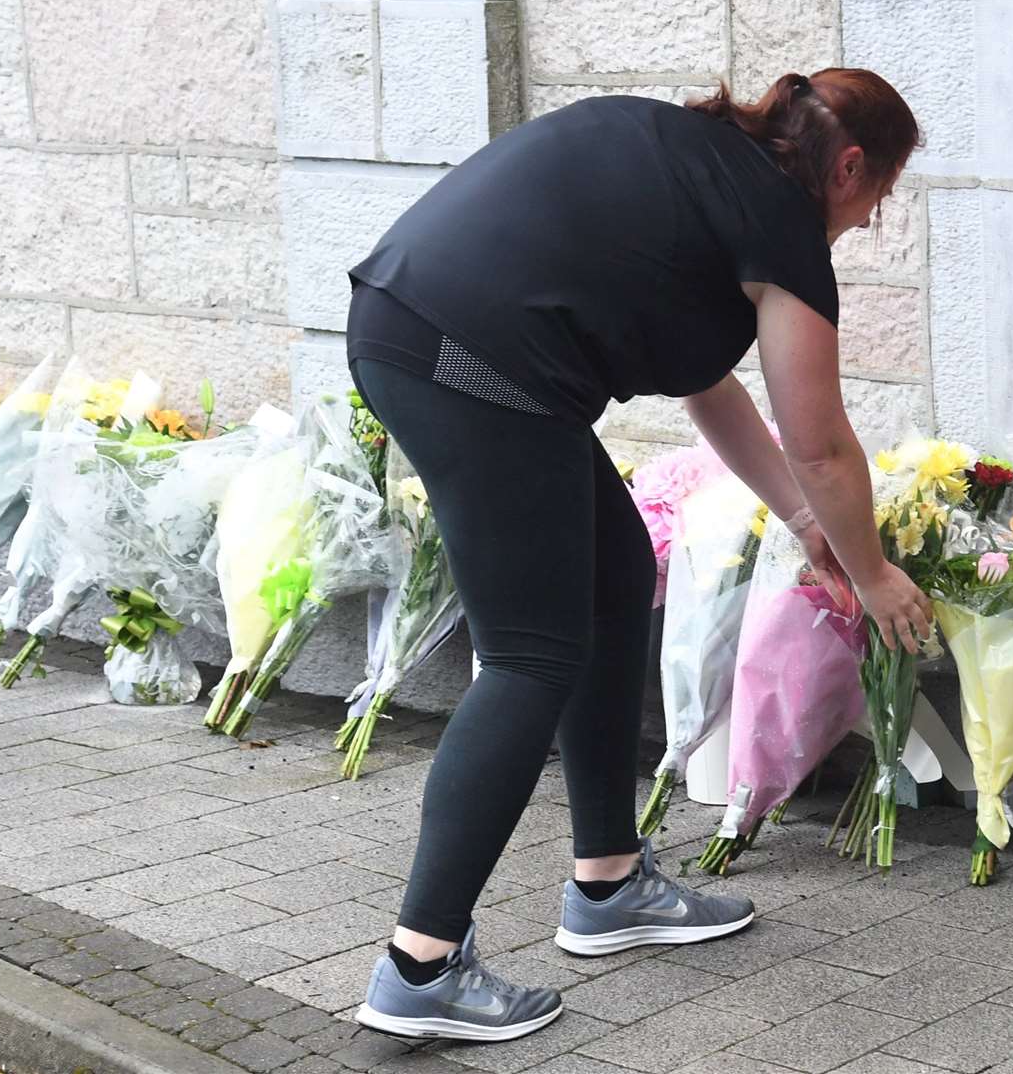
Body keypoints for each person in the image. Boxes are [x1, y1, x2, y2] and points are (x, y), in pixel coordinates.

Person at [344, 69, 930, 1042]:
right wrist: (871, 574)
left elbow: (713, 390)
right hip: (474, 363)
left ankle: (608, 883)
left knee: (618, 575)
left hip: (430, 331)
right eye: (878, 198)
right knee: (532, 653)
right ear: (851, 166)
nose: (867, 223)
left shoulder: (695, 163)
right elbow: (820, 438)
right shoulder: (779, 224)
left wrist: (800, 519)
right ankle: (420, 965)